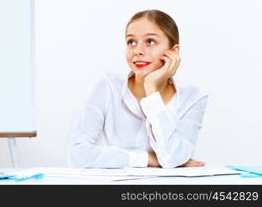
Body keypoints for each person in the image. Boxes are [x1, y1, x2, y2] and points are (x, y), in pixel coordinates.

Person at [68, 9, 208, 168]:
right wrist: (147, 159)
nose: (138, 51)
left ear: (173, 52)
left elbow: (175, 159)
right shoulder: (107, 86)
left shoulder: (193, 97)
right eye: (131, 42)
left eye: (150, 41)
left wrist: (152, 91)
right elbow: (77, 155)